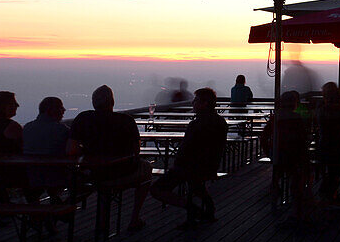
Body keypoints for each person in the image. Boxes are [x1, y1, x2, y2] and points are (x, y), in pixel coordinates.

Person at [69, 85, 152, 233]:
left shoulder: (83, 118)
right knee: (146, 168)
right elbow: (136, 150)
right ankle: (134, 218)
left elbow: (72, 149)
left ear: (93, 103)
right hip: (122, 173)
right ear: (112, 102)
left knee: (84, 180)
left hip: (92, 173)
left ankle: (63, 208)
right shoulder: (126, 120)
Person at [151, 87, 228, 228]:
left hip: (190, 168)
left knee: (157, 189)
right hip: (209, 166)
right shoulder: (220, 122)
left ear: (204, 103)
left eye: (196, 100)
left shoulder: (196, 125)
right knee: (196, 184)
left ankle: (192, 208)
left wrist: (175, 165)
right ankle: (208, 209)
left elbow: (186, 150)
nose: (193, 103)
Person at [262, 91, 310, 220]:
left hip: (279, 154)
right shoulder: (298, 119)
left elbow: (264, 136)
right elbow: (303, 138)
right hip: (294, 155)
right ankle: (295, 208)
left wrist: (270, 152)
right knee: (294, 180)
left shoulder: (276, 118)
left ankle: (274, 204)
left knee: (276, 178)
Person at [23, 96, 70, 205]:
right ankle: (62, 206)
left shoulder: (27, 128)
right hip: (57, 177)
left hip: (32, 177)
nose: (64, 110)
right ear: (51, 111)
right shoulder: (61, 130)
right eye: (60, 108)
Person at [314, 82, 340, 202]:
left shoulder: (321, 108)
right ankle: (332, 192)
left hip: (325, 142)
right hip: (338, 142)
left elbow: (318, 121)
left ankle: (326, 192)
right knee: (337, 170)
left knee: (327, 169)